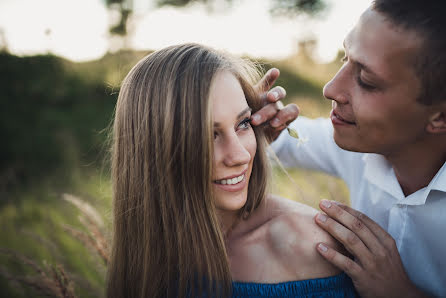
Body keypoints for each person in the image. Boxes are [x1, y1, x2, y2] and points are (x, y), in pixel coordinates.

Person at [106, 43, 357, 297]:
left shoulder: (302, 243)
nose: (240, 155)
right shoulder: (149, 250)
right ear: (152, 148)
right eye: (208, 134)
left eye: (243, 123)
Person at [253, 0, 446, 296]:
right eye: (345, 58)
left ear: (440, 116)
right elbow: (284, 140)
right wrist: (258, 121)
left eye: (367, 81)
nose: (330, 89)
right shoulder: (360, 144)